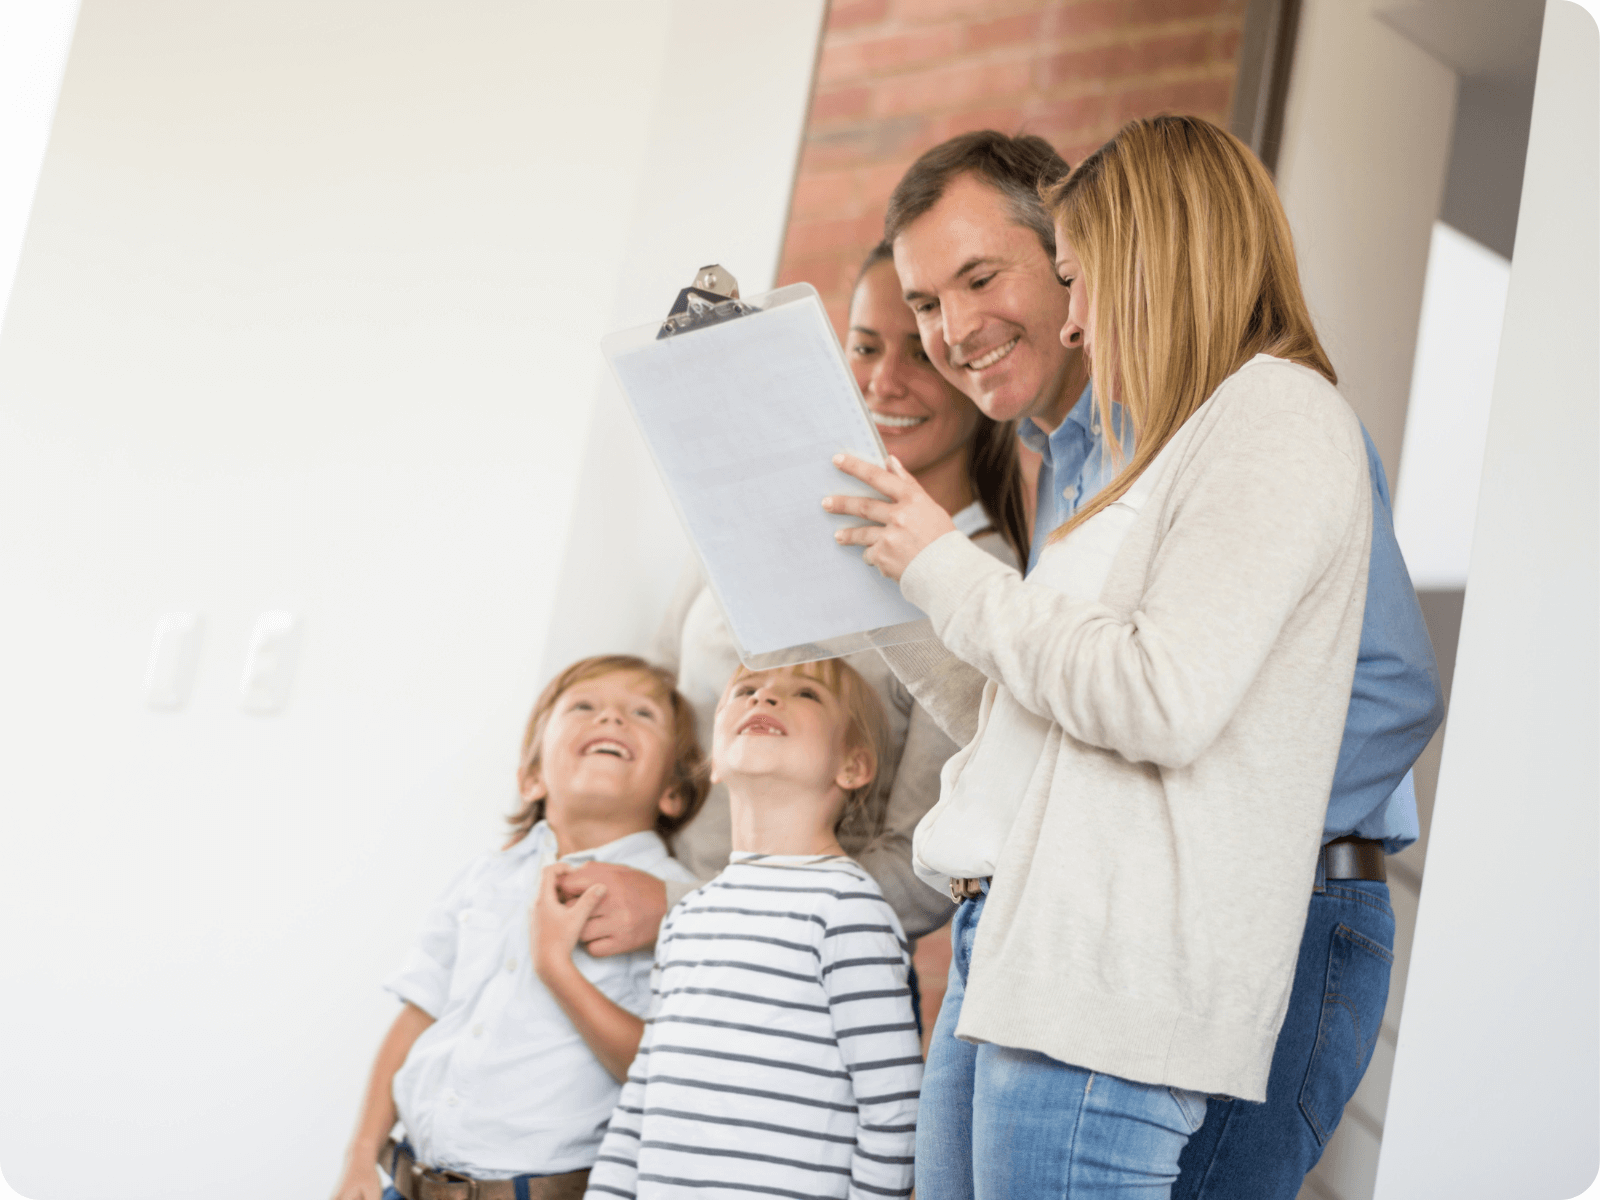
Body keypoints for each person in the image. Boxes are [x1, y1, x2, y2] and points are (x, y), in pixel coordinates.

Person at [825, 116, 1433, 1196]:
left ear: (1144, 258)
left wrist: (1187, 847)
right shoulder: (1077, 456)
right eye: (922, 304)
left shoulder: (1268, 423)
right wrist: (883, 582)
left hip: (1235, 908)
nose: (951, 333)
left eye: (1055, 278)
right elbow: (1049, 712)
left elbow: (1338, 696)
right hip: (1056, 917)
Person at [552, 244, 1028, 963]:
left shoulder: (979, 580)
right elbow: (658, 699)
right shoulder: (742, 510)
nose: (885, 382)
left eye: (923, 357)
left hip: (780, 972)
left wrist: (690, 913)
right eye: (864, 347)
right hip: (617, 926)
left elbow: (924, 868)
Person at [329, 655, 706, 1200]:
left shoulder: (678, 904)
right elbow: (417, 1017)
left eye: (641, 714)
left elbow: (659, 1069)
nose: (612, 719)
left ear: (672, 791)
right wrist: (360, 1157)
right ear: (531, 778)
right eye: (584, 706)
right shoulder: (484, 877)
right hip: (408, 1181)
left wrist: (558, 969)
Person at [584, 660, 921, 1200]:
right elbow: (643, 1096)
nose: (764, 698)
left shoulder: (847, 907)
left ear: (854, 766)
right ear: (715, 762)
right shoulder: (689, 915)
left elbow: (895, 1106)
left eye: (805, 695)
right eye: (745, 690)